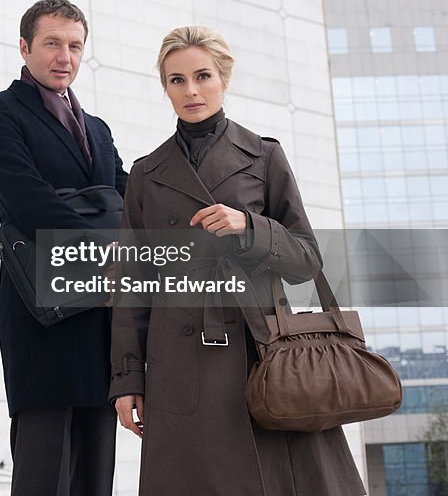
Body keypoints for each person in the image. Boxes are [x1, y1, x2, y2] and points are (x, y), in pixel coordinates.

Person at [110, 26, 365, 494]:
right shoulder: (146, 174)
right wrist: (127, 379)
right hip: (179, 364)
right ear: (164, 87)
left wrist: (250, 226)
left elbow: (307, 259)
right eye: (176, 80)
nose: (191, 91)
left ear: (223, 77)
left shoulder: (264, 156)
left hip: (259, 355)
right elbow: (133, 283)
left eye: (202, 75)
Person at [0, 0, 128, 496]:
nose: (65, 56)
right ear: (25, 47)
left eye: (75, 46)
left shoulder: (98, 130)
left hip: (101, 315)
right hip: (45, 310)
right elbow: (28, 201)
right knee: (44, 468)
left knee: (96, 472)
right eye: (53, 43)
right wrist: (108, 252)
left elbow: (129, 198)